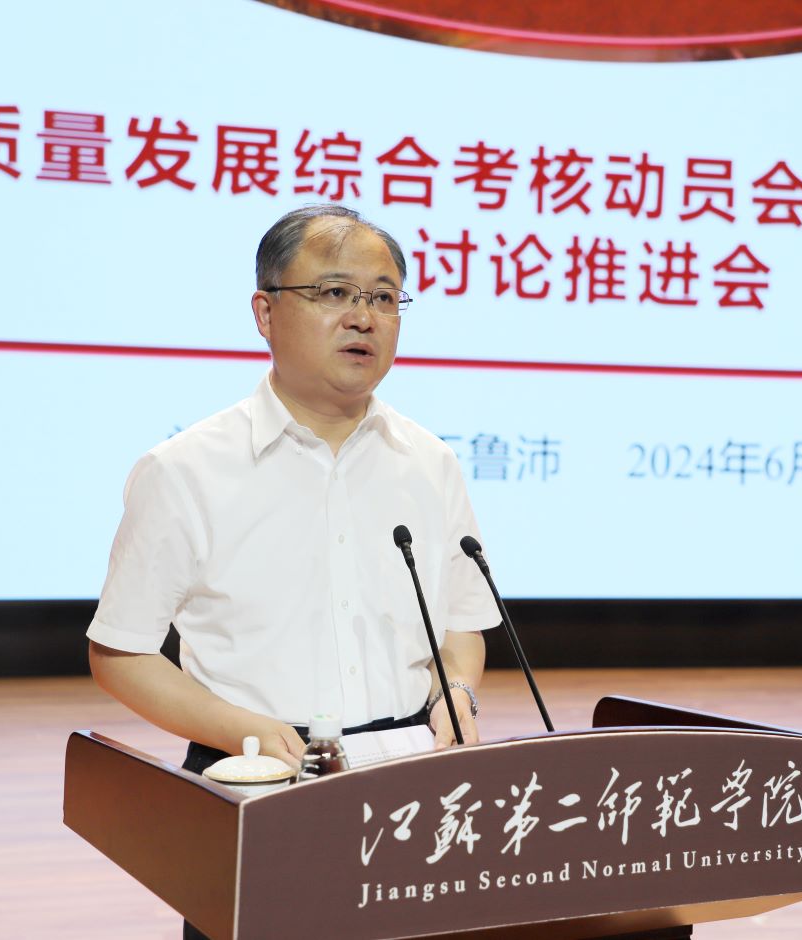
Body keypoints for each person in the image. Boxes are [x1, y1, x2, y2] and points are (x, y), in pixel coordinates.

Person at [86, 204, 497, 781]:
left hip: (411, 766)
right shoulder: (185, 470)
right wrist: (241, 730)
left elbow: (460, 624)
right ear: (265, 312)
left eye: (383, 298)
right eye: (334, 292)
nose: (364, 318)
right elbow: (120, 654)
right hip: (253, 768)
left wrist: (455, 691)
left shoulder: (431, 463)